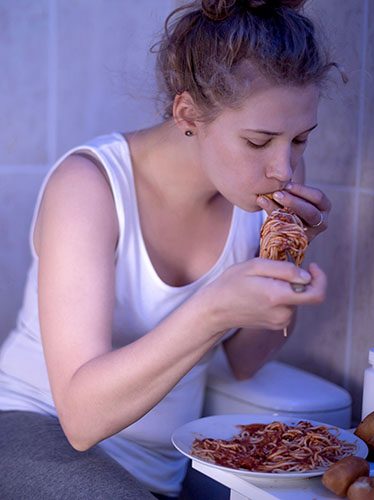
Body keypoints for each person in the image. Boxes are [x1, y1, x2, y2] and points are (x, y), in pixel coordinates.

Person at [0, 0, 334, 498]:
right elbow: (81, 416)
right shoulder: (90, 187)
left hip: (161, 467)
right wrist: (215, 307)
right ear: (188, 114)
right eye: (259, 141)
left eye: (300, 140)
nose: (284, 168)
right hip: (38, 429)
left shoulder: (263, 195)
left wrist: (287, 265)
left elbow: (244, 360)